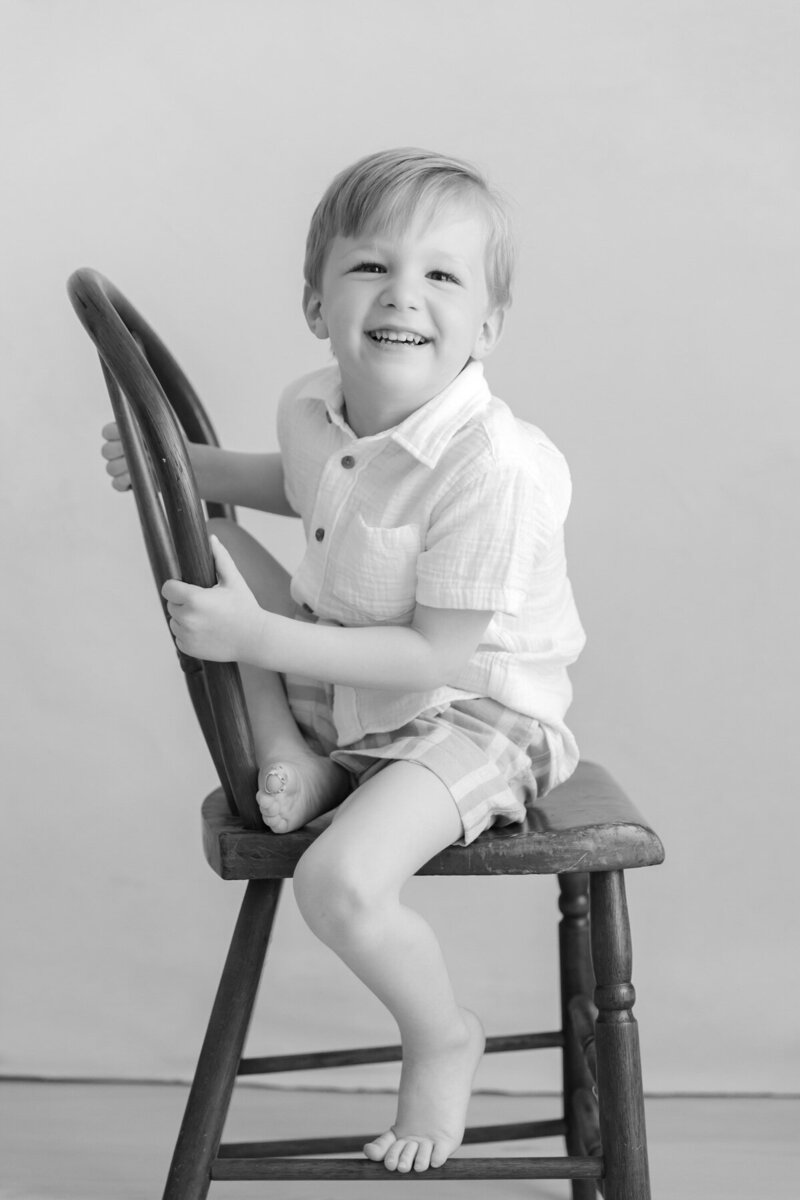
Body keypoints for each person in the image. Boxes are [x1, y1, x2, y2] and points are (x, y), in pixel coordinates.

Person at [101, 147, 586, 1174]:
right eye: (370, 267)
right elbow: (313, 486)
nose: (402, 293)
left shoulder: (493, 469)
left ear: (485, 329)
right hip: (362, 691)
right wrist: (189, 470)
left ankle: (442, 1032)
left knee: (340, 883)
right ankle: (305, 755)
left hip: (475, 711)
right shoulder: (315, 407)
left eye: (442, 277)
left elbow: (434, 652)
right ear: (316, 303)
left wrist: (260, 640)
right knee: (219, 572)